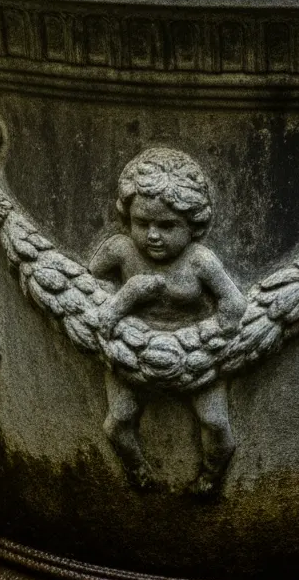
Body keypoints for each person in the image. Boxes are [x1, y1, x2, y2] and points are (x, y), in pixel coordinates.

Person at [90, 145, 244, 492]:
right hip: (131, 348)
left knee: (217, 424)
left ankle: (209, 476)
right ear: (127, 218)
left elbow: (233, 304)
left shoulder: (199, 261)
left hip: (193, 351)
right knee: (118, 422)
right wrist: (125, 299)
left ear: (193, 225)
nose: (153, 235)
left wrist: (208, 339)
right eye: (141, 223)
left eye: (167, 225)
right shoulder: (121, 251)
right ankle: (137, 469)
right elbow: (87, 288)